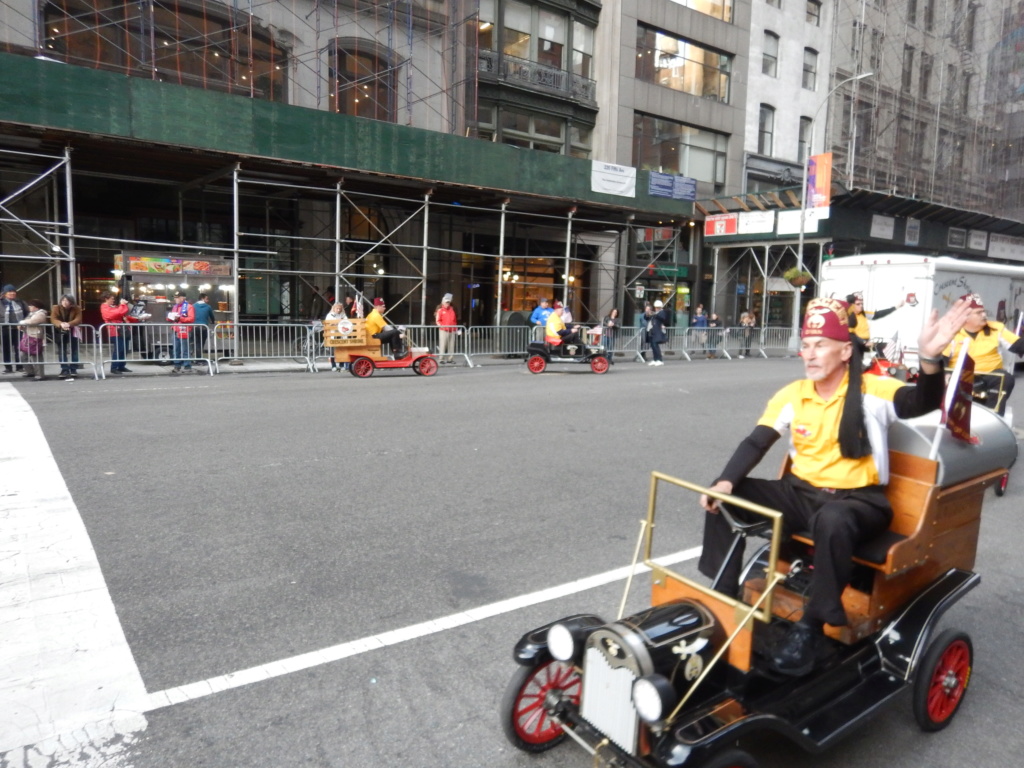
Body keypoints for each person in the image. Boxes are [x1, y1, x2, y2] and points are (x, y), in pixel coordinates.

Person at [696, 296, 972, 676]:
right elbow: (756, 442)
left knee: (834, 519)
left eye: (820, 345)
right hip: (799, 494)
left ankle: (812, 626)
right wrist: (726, 481)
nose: (809, 354)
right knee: (725, 496)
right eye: (805, 345)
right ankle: (724, 594)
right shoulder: (793, 394)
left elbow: (920, 402)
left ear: (845, 351)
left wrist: (929, 359)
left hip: (859, 502)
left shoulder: (873, 389)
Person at [942, 293, 1024, 416]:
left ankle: (993, 416)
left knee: (1006, 379)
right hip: (960, 375)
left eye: (984, 311)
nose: (984, 315)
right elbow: (941, 359)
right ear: (965, 316)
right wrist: (945, 374)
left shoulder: (996, 328)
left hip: (991, 374)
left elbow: (1019, 345)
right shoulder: (952, 332)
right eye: (979, 313)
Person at [100, 291, 134, 374]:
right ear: (106, 299)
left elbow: (122, 313)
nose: (113, 300)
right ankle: (114, 367)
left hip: (122, 329)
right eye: (111, 299)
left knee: (125, 349)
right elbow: (117, 313)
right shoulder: (104, 307)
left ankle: (121, 366)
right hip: (114, 330)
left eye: (113, 299)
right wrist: (123, 305)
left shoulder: (114, 307)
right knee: (119, 349)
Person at [51, 294, 83, 379]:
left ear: (71, 302)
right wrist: (61, 324)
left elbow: (78, 319)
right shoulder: (56, 308)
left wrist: (68, 324)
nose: (65, 302)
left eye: (67, 301)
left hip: (73, 330)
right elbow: (53, 319)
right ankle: (64, 369)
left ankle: (73, 368)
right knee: (62, 350)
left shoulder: (77, 308)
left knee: (74, 349)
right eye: (63, 300)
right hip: (60, 330)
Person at [17, 298, 49, 380]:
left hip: (36, 336)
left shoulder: (41, 313)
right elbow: (27, 321)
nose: (29, 307)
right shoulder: (31, 313)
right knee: (23, 355)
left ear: (36, 307)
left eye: (31, 305)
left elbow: (33, 321)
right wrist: (21, 325)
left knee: (36, 356)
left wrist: (22, 322)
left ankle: (39, 374)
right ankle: (30, 371)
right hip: (27, 336)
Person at [1, 284, 28, 373]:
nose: (12, 293)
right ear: (5, 293)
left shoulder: (20, 302)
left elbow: (27, 313)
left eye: (13, 292)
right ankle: (8, 367)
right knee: (6, 348)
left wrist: (23, 322)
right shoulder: (1, 302)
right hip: (5, 328)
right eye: (10, 292)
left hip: (18, 328)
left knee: (19, 347)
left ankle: (19, 366)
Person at [167, 290, 196, 373]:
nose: (176, 299)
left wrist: (180, 318)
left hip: (184, 330)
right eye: (175, 297)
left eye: (177, 297)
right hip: (176, 329)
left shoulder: (189, 307)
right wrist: (170, 318)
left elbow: (191, 318)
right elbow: (173, 317)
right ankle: (177, 365)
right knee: (176, 349)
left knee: (185, 349)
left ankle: (187, 366)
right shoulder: (175, 307)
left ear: (183, 298)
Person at [191, 293, 216, 366]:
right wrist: (213, 322)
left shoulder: (193, 306)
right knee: (201, 344)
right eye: (206, 299)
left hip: (194, 327)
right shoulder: (208, 307)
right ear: (202, 298)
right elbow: (212, 317)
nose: (208, 300)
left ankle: (196, 358)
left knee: (196, 343)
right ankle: (199, 359)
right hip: (204, 327)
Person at [435, 293, 458, 365]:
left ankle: (450, 359)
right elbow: (438, 320)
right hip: (444, 330)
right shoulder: (440, 310)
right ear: (443, 302)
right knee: (443, 344)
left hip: (452, 330)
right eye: (446, 302)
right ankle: (441, 359)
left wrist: (456, 329)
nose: (447, 303)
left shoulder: (452, 310)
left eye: (448, 302)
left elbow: (454, 320)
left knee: (451, 345)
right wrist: (441, 327)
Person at [324, 301, 348, 371]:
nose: (338, 310)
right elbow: (328, 324)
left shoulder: (343, 314)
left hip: (341, 334)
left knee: (341, 350)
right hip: (332, 335)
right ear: (334, 308)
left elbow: (346, 321)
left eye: (340, 309)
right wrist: (337, 322)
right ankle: (333, 365)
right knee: (332, 351)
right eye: (337, 308)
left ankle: (342, 365)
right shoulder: (330, 315)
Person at [647, 299, 670, 366]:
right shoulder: (656, 313)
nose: (656, 308)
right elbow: (649, 318)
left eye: (658, 307)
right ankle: (655, 359)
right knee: (653, 346)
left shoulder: (662, 312)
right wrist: (649, 314)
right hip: (652, 330)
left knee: (655, 345)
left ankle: (659, 359)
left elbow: (662, 318)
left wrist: (654, 314)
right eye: (656, 307)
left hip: (657, 330)